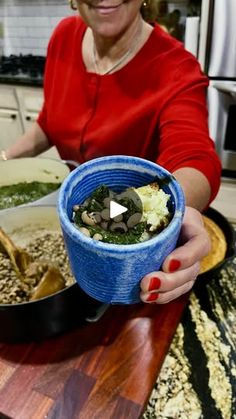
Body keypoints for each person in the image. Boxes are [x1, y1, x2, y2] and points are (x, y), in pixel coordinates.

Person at [0, 0, 221, 304]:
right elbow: (50, 122)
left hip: (129, 267)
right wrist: (5, 161)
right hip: (69, 236)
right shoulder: (64, 36)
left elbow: (195, 158)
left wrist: (162, 209)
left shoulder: (175, 67)